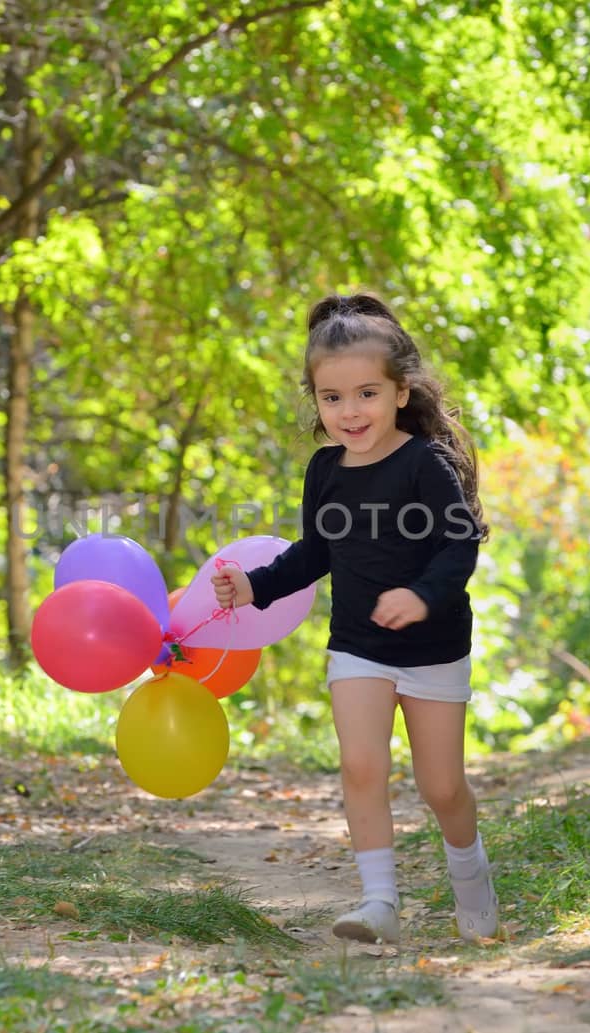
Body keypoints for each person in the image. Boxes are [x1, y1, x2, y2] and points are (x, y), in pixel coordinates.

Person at [212, 292, 497, 945]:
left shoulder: (425, 463)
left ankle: (470, 874)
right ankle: (379, 902)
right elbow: (314, 552)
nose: (350, 411)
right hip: (359, 645)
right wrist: (251, 587)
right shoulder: (325, 471)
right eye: (332, 397)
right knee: (361, 767)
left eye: (366, 393)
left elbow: (460, 543)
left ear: (401, 391)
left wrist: (423, 595)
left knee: (442, 785)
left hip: (435, 643)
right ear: (315, 401)